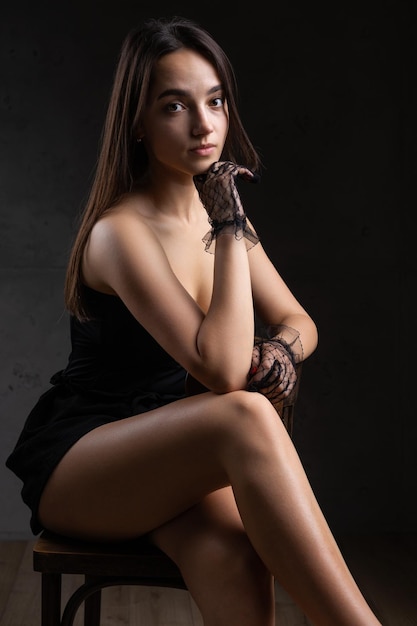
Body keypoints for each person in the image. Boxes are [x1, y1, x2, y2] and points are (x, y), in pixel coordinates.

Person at [6, 15, 383, 626]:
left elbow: (299, 320)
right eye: (175, 106)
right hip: (85, 461)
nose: (204, 125)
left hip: (173, 456)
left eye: (214, 101)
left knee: (232, 553)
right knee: (245, 412)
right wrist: (230, 225)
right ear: (138, 121)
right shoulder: (121, 234)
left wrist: (282, 350)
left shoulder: (218, 218)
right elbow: (223, 371)